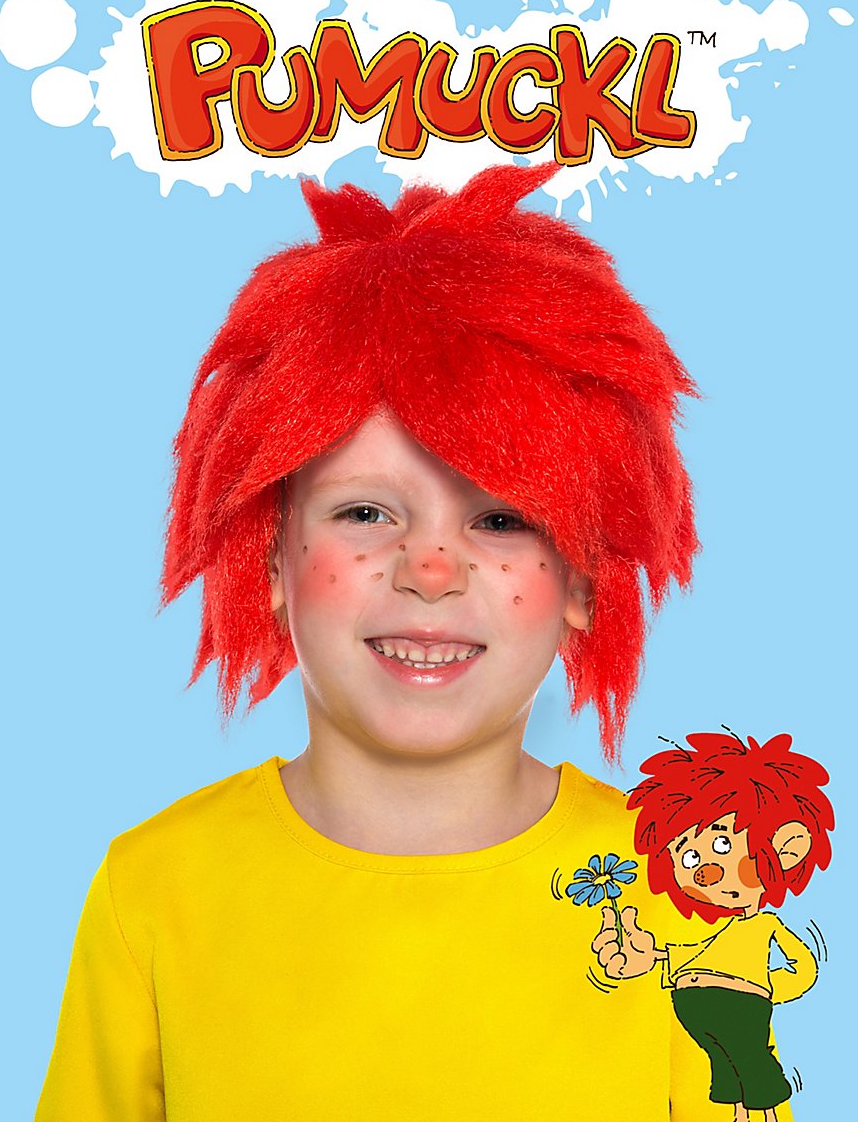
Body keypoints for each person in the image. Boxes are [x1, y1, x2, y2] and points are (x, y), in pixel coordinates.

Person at [36, 163, 734, 1121]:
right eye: (365, 512)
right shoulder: (154, 889)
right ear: (270, 559)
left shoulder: (688, 889)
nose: (431, 569)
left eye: (499, 520)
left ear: (579, 580)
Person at [592, 732, 832, 1122]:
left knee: (751, 1062)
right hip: (692, 1003)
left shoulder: (763, 925)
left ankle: (765, 1115)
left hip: (739, 1004)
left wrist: (761, 989)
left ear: (787, 849)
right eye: (687, 855)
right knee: (723, 1066)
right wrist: (654, 957)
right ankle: (738, 1114)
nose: (704, 870)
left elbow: (802, 969)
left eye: (722, 845)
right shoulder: (708, 928)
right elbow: (696, 953)